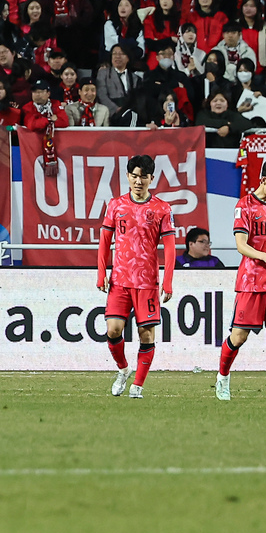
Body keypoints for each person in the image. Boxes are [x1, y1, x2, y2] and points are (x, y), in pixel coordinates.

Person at [216, 158, 266, 402]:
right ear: (263, 180)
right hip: (252, 280)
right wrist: (264, 256)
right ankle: (223, 376)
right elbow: (241, 246)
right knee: (239, 337)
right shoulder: (245, 206)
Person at [96, 155, 175, 400]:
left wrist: (168, 280)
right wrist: (102, 272)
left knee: (146, 335)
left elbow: (171, 247)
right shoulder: (116, 205)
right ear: (128, 176)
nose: (138, 180)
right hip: (120, 280)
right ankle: (123, 369)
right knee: (113, 329)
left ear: (152, 178)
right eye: (134, 175)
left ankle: (137, 386)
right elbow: (105, 241)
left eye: (143, 176)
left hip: (147, 282)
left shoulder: (162, 208)